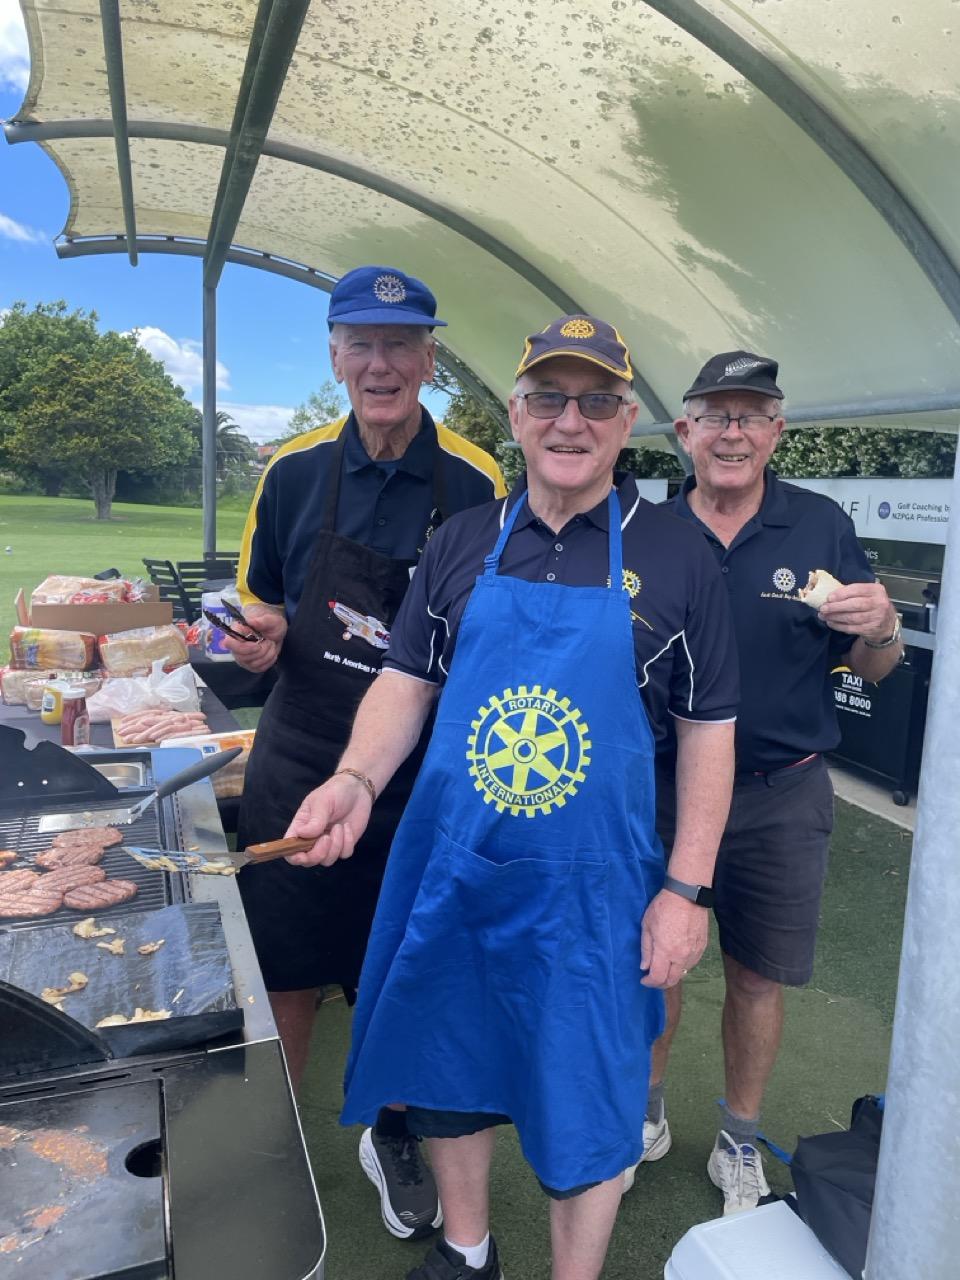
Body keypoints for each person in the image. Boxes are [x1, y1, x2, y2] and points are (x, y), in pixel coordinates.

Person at [285, 315, 739, 1280]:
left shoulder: (679, 555)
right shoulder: (461, 541)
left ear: (627, 421)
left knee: (589, 1094)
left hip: (594, 890)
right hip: (459, 868)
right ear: (516, 413)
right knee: (449, 1067)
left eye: (597, 401)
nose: (571, 421)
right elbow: (406, 681)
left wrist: (685, 890)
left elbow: (709, 731)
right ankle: (468, 1251)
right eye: (548, 399)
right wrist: (355, 778)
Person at [227, 265, 505, 1239]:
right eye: (361, 343)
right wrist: (257, 637)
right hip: (300, 754)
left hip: (419, 771)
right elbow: (259, 602)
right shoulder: (292, 470)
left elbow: (488, 632)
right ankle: (273, 1139)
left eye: (400, 344)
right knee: (284, 966)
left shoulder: (477, 481)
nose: (380, 364)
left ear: (429, 359)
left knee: (403, 967)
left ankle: (392, 1132)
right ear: (335, 355)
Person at [634, 350, 904, 1215]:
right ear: (685, 431)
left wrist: (883, 626)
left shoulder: (820, 525)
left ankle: (738, 1137)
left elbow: (876, 665)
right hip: (662, 790)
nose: (732, 433)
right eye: (716, 415)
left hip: (780, 795)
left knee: (756, 978)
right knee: (654, 966)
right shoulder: (646, 532)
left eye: (750, 416)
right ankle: (645, 1117)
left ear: (776, 432)